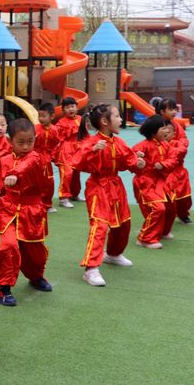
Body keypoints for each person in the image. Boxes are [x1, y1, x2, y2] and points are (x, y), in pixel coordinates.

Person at [73, 104, 144, 286]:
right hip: (97, 187)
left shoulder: (119, 142)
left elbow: (129, 162)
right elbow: (77, 163)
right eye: (117, 116)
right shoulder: (91, 142)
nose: (121, 120)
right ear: (105, 121)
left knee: (123, 223)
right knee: (100, 225)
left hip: (116, 187)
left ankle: (113, 254)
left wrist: (139, 163)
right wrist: (93, 150)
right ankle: (91, 268)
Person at [0, 118, 51, 306]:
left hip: (32, 209)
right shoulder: (4, 160)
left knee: (35, 252)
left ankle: (35, 276)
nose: (26, 146)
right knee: (8, 246)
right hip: (8, 208)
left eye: (30, 141)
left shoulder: (36, 157)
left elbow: (26, 165)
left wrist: (14, 175)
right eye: (21, 142)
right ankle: (2, 288)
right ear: (10, 141)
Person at [132, 116, 177, 250]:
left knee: (171, 207)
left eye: (167, 127)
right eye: (163, 128)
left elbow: (173, 160)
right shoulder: (142, 146)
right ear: (153, 132)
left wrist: (162, 165)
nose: (167, 130)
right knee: (157, 208)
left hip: (162, 182)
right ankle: (146, 238)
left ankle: (162, 231)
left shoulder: (165, 144)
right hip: (146, 182)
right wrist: (137, 158)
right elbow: (130, 157)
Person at [155, 98, 192, 224]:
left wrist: (174, 149)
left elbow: (184, 141)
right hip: (163, 170)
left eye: (175, 109)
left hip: (178, 168)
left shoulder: (176, 125)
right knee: (166, 195)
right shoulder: (156, 125)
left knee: (184, 195)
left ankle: (183, 214)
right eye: (171, 109)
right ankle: (163, 214)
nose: (174, 111)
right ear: (161, 111)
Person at [55, 97, 83, 208]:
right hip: (65, 150)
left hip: (77, 149)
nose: (70, 109)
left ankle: (74, 195)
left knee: (76, 173)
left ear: (77, 107)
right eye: (67, 107)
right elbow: (56, 135)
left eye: (72, 106)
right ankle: (63, 197)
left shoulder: (80, 119)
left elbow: (84, 134)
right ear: (63, 110)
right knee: (67, 173)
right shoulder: (60, 123)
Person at [34, 103, 60, 213]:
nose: (41, 119)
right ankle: (36, 203)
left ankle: (47, 204)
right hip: (35, 158)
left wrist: (54, 157)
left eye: (43, 116)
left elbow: (56, 145)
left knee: (49, 182)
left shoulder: (54, 130)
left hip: (47, 159)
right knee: (35, 181)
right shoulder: (35, 128)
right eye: (39, 116)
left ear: (52, 117)